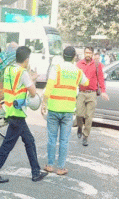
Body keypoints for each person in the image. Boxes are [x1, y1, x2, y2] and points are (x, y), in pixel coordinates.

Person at [0, 46, 48, 183]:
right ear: (27, 59)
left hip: (10, 110)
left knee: (29, 141)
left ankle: (35, 172)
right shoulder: (23, 73)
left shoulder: (9, 69)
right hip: (17, 113)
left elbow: (13, 87)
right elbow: (33, 93)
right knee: (7, 146)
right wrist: (33, 78)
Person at [41, 47, 89, 175]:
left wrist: (44, 103)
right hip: (68, 110)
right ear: (74, 57)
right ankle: (61, 168)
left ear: (63, 56)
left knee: (51, 138)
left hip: (53, 108)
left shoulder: (56, 69)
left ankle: (50, 165)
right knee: (64, 140)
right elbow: (86, 82)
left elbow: (49, 87)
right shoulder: (78, 71)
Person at [76, 47, 109, 146]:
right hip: (81, 92)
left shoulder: (97, 65)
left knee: (89, 117)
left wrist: (103, 91)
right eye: (86, 52)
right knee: (79, 114)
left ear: (92, 54)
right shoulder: (79, 64)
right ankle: (79, 127)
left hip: (92, 93)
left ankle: (85, 136)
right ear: (84, 53)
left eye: (90, 53)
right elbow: (75, 78)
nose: (88, 55)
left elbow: (101, 79)